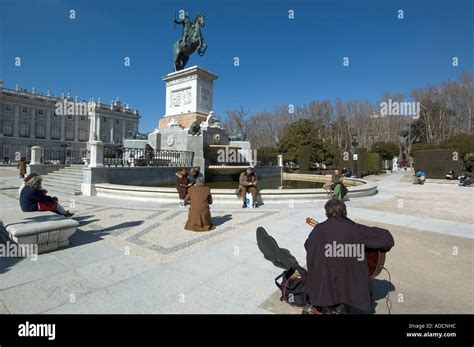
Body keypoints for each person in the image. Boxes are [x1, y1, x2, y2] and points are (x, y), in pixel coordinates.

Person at [303, 199, 394, 314]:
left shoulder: (318, 229)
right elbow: (386, 238)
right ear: (345, 212)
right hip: (347, 280)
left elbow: (307, 246)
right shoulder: (354, 228)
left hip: (323, 283)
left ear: (327, 213)